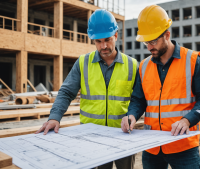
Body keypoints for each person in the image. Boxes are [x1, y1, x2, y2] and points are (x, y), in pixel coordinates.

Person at [35, 9, 138, 169]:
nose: (103, 46)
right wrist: (55, 117)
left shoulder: (132, 65)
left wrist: (131, 116)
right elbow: (66, 92)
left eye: (107, 40)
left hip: (123, 135)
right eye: (98, 41)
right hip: (91, 137)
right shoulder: (83, 63)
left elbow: (138, 98)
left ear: (116, 35)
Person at [120, 5, 200, 169]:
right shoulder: (143, 66)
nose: (149, 47)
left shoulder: (192, 60)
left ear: (167, 35)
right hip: (152, 146)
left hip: (183, 144)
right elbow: (138, 99)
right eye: (146, 42)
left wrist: (187, 120)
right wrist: (132, 115)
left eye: (153, 41)